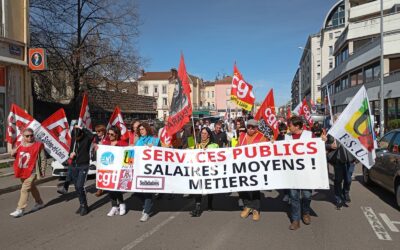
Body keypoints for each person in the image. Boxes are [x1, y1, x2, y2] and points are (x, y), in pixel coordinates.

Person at [285, 116, 326, 230]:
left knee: (307, 195)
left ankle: (306, 212)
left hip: (307, 172)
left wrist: (322, 141)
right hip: (292, 172)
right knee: (294, 196)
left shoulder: (309, 135)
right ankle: (295, 219)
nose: (289, 127)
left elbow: (317, 148)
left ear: (297, 126)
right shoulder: (286, 136)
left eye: (290, 125)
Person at [9, 128, 46, 218]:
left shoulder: (38, 145)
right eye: (27, 136)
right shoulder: (19, 144)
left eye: (31, 135)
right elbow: (12, 154)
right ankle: (39, 202)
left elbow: (43, 159)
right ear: (23, 136)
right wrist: (17, 147)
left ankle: (20, 209)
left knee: (25, 189)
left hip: (32, 171)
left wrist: (43, 170)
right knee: (32, 187)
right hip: (22, 170)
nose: (30, 137)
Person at [238, 119, 268, 221]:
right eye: (249, 127)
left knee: (255, 188)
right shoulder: (242, 136)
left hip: (255, 167)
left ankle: (256, 209)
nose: (250, 129)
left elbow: (266, 150)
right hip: (243, 166)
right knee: (243, 187)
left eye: (253, 127)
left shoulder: (262, 137)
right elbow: (237, 149)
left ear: (256, 128)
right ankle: (247, 206)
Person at [326, 113, 356, 210]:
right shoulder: (330, 133)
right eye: (337, 120)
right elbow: (324, 145)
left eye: (340, 120)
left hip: (350, 160)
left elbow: (358, 146)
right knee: (338, 180)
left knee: (348, 179)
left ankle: (346, 192)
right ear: (334, 121)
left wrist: (356, 159)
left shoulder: (350, 131)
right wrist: (330, 146)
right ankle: (338, 198)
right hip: (338, 160)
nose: (338, 122)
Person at [190, 127, 219, 217]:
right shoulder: (196, 145)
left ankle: (210, 203)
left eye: (205, 133)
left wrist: (208, 152)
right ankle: (197, 207)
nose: (203, 135)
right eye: (202, 133)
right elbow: (187, 153)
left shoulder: (214, 145)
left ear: (209, 135)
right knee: (198, 188)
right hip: (198, 171)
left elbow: (218, 155)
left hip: (210, 170)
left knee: (209, 188)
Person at [135, 122, 160, 222]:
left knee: (147, 191)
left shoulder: (154, 140)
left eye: (143, 129)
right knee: (137, 191)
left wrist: (153, 147)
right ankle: (147, 204)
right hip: (139, 168)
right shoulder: (139, 141)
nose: (141, 131)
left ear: (147, 129)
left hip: (150, 169)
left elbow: (162, 152)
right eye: (140, 129)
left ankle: (146, 211)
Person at [102, 126, 129, 216]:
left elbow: (129, 157)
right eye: (108, 134)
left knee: (117, 187)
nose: (109, 136)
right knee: (110, 188)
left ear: (117, 134)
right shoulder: (105, 143)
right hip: (108, 169)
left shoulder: (123, 143)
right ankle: (114, 206)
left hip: (119, 169)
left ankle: (121, 204)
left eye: (112, 134)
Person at [68, 125, 94, 216]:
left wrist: (82, 127)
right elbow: (72, 133)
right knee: (76, 187)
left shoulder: (86, 138)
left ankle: (84, 206)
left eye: (78, 137)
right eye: (75, 137)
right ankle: (82, 204)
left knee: (80, 186)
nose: (76, 139)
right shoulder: (74, 138)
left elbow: (92, 136)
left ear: (82, 134)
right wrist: (70, 154)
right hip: (74, 165)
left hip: (83, 165)